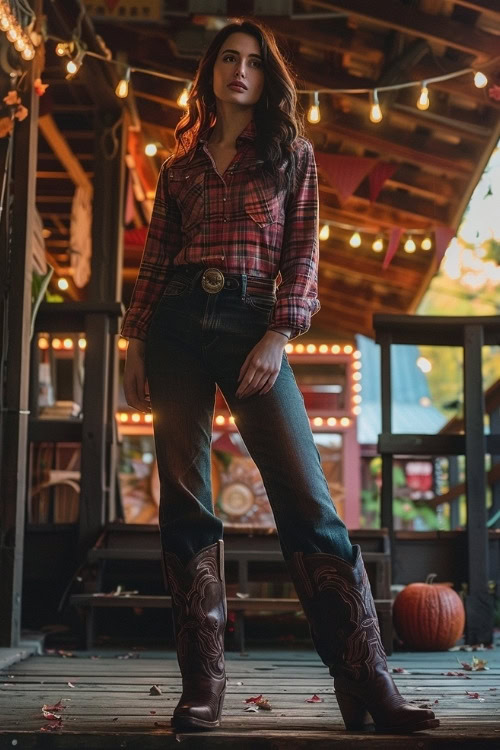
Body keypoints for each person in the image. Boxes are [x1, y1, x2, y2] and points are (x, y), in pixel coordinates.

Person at [121, 18, 439, 736]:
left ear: (269, 78)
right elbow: (154, 261)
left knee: (306, 499)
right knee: (185, 502)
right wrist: (133, 339)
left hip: (250, 323)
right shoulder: (179, 166)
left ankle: (366, 680)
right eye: (228, 59)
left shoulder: (291, 155)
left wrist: (277, 333)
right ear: (210, 72)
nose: (240, 71)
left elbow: (302, 256)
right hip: (174, 326)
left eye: (254, 63)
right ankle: (201, 687)